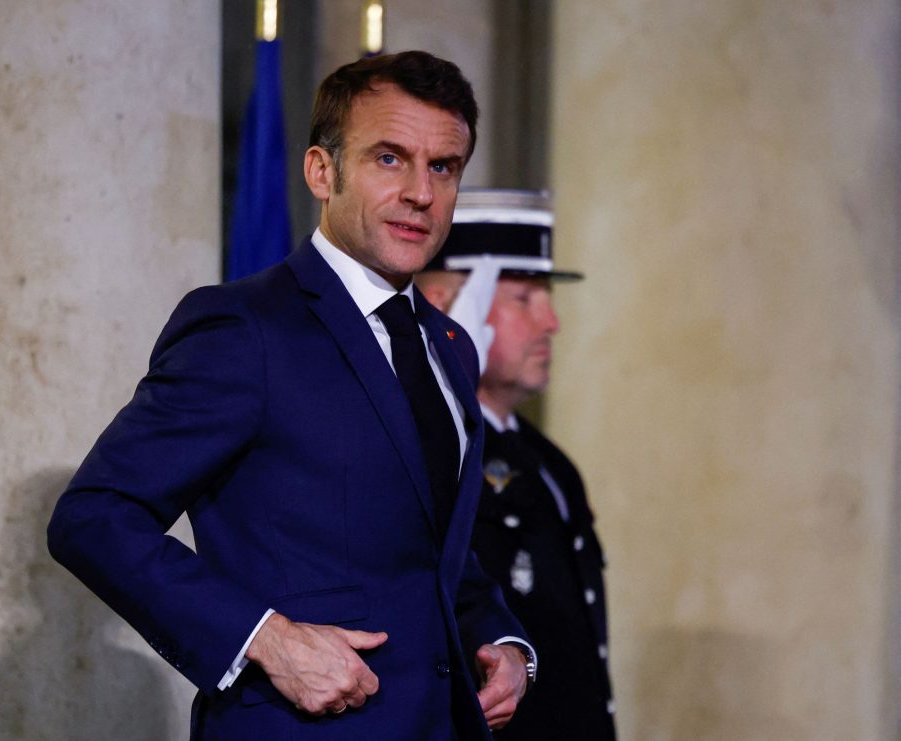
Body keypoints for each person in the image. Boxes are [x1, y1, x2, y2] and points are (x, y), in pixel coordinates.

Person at [47, 51, 535, 740]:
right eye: (389, 159)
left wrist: (505, 641)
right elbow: (95, 515)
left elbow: (429, 551)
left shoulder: (450, 346)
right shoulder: (244, 326)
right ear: (321, 171)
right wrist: (266, 638)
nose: (421, 193)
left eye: (443, 167)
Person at [415, 188, 616, 740]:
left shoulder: (548, 462)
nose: (551, 321)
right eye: (524, 299)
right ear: (444, 306)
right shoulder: (428, 452)